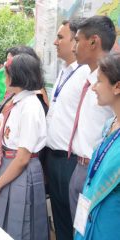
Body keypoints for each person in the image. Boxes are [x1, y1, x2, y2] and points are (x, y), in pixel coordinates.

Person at [0, 54, 49, 240]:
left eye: (6, 73)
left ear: (17, 75)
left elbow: (22, 158)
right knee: (3, 224)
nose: (4, 77)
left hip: (21, 171)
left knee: (20, 228)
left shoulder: (29, 107)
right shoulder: (16, 103)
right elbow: (4, 144)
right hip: (6, 167)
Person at [45, 19, 90, 240]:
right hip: (53, 158)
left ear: (75, 41)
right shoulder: (63, 71)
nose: (55, 42)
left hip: (72, 161)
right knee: (60, 220)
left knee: (76, 225)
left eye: (60, 37)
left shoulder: (87, 75)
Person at [69, 15, 115, 222]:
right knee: (78, 230)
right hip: (79, 167)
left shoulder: (112, 80)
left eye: (77, 41)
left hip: (101, 172)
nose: (73, 47)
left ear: (94, 41)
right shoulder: (86, 77)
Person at [74, 52, 120, 240]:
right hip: (92, 216)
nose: (93, 87)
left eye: (99, 81)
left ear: (117, 86)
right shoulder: (110, 125)